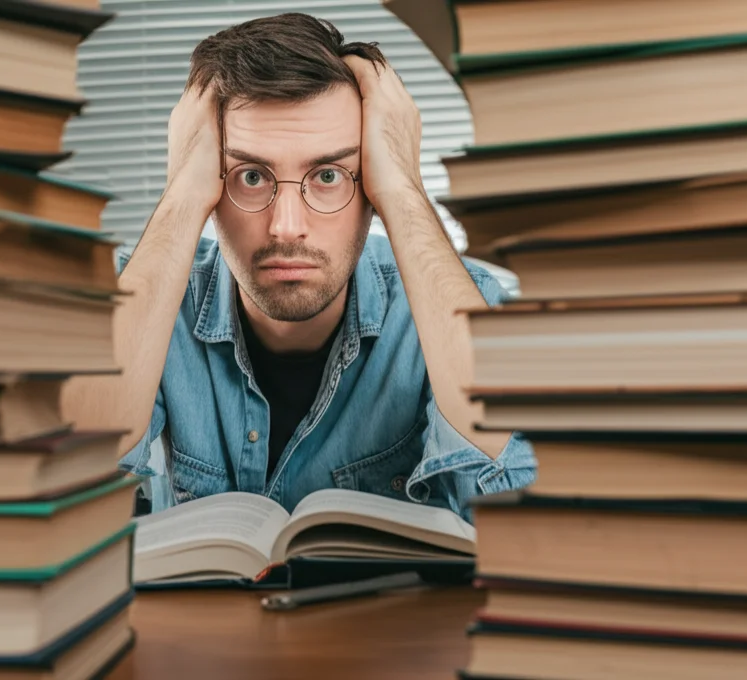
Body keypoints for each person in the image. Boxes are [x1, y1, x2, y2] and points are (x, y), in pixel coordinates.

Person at [63, 13, 536, 521]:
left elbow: (521, 509)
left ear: (369, 188)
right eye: (249, 176)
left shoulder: (458, 302)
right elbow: (69, 487)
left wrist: (403, 188)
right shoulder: (140, 296)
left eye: (329, 175)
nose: (286, 226)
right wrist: (179, 197)